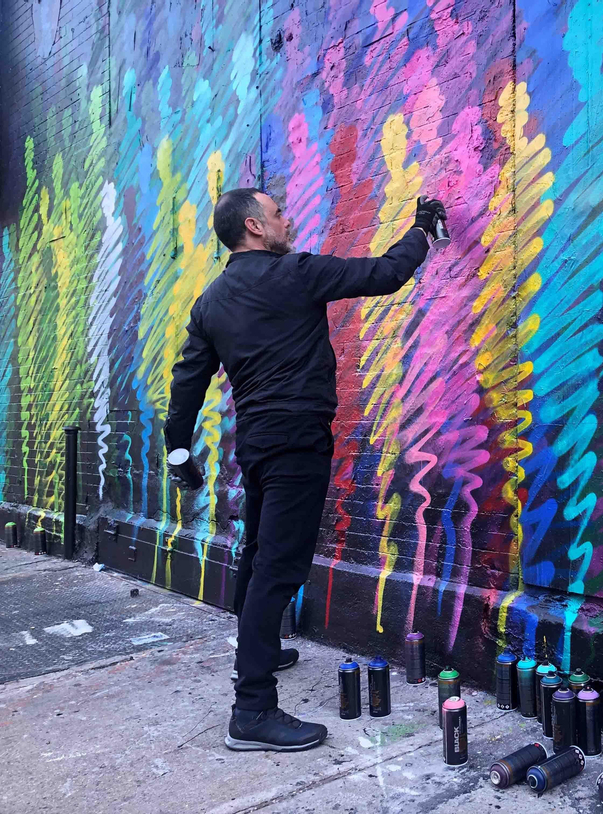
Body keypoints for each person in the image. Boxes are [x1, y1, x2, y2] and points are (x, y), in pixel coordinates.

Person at [163, 187, 446, 751]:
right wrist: (421, 231)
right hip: (296, 441)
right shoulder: (296, 272)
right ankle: (251, 710)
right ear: (255, 227)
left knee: (256, 555)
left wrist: (179, 454)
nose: (287, 219)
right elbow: (385, 274)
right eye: (278, 214)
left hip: (260, 445)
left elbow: (186, 384)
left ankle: (256, 649)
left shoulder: (211, 302)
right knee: (280, 565)